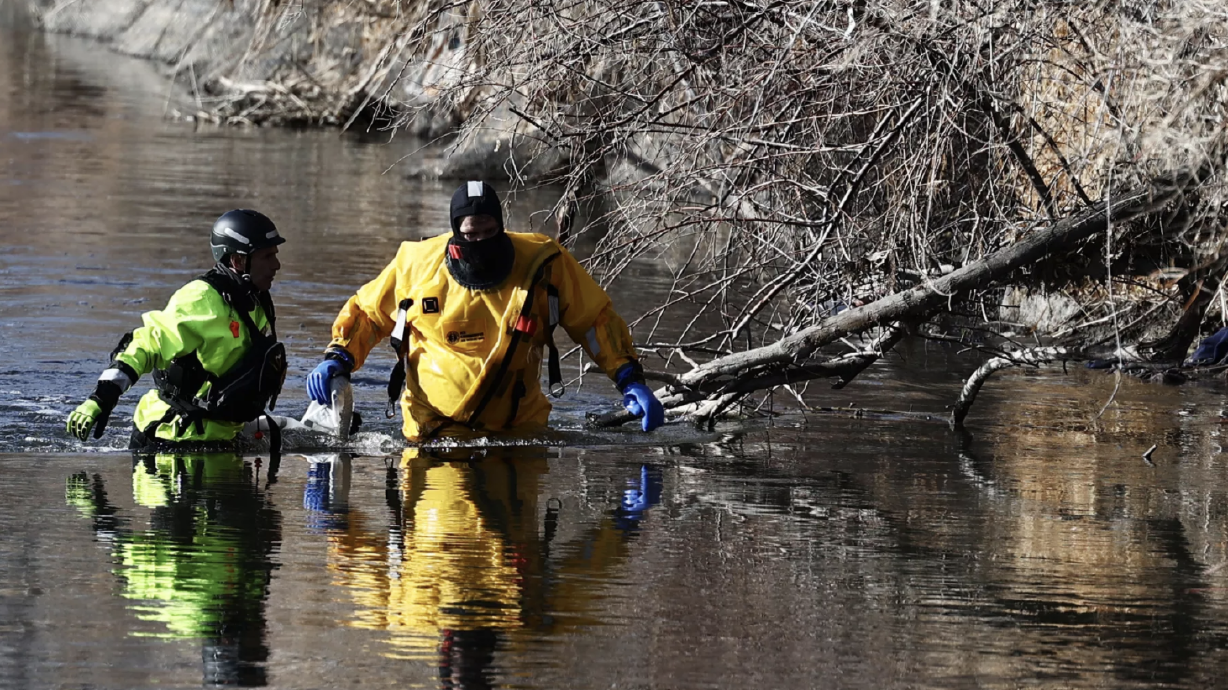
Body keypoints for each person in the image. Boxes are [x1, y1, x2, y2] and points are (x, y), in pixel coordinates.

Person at [305, 181, 664, 441]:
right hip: (431, 434)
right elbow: (368, 313)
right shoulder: (416, 265)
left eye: (490, 232)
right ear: (455, 232)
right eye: (471, 235)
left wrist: (628, 378)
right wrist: (339, 357)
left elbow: (594, 320)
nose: (481, 242)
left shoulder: (542, 264)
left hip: (519, 433)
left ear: (501, 227)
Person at [66, 209, 288, 451]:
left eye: (275, 255)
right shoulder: (200, 299)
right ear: (238, 261)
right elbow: (146, 344)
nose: (276, 265)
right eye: (267, 256)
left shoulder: (256, 300)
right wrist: (101, 398)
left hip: (221, 437)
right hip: (171, 438)